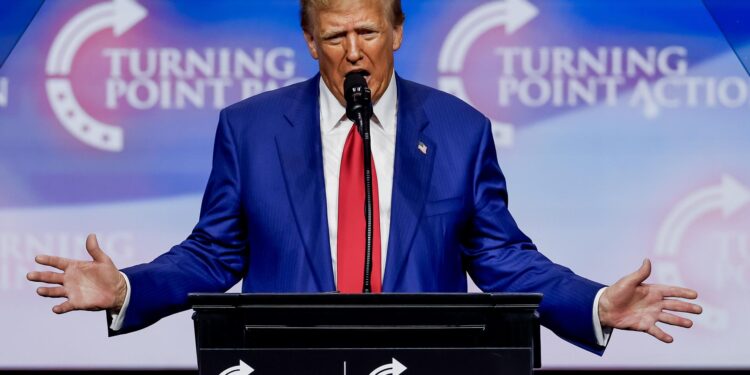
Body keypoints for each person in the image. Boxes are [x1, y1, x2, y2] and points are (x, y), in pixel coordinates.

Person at [27, 0, 701, 355]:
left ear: (399, 32)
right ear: (310, 40)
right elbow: (213, 252)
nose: (353, 52)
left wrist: (591, 303)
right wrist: (127, 288)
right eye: (335, 36)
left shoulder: (461, 131)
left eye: (369, 33)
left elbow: (502, 258)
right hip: (286, 368)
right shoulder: (249, 129)